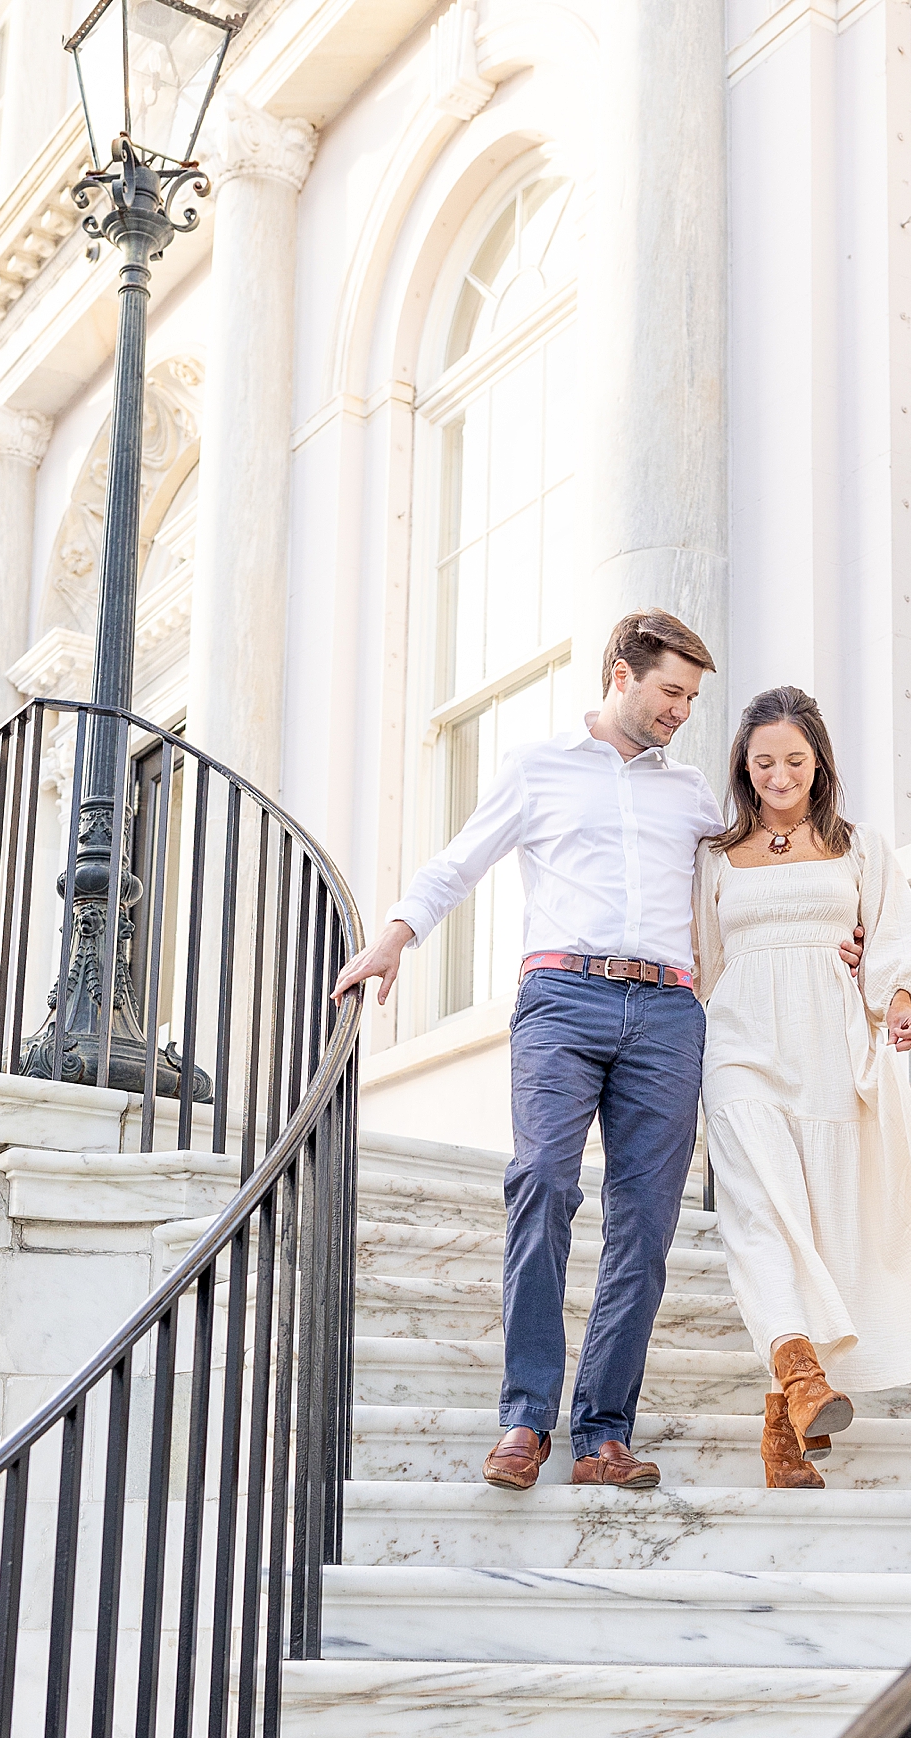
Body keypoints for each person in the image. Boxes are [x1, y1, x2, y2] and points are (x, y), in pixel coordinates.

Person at [333, 614, 865, 1491]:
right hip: (562, 997)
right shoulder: (536, 769)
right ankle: (524, 1420)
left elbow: (767, 862)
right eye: (670, 693)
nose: (682, 713)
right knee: (541, 1181)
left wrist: (833, 940)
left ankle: (602, 1435)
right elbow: (459, 864)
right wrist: (394, 937)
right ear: (622, 674)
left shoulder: (694, 795)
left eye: (692, 699)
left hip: (667, 1014)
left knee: (645, 1228)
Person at [694, 683, 911, 1488]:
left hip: (831, 1050)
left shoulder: (858, 847)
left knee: (828, 1226)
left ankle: (786, 1424)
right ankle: (804, 1374)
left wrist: (900, 1000)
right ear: (744, 765)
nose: (779, 775)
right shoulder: (712, 854)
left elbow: (896, 933)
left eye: (795, 761)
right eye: (764, 761)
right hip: (738, 1043)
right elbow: (699, 961)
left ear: (819, 765)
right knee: (759, 1208)